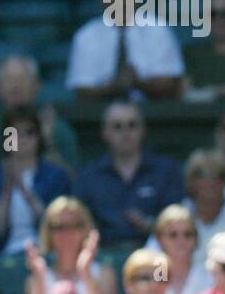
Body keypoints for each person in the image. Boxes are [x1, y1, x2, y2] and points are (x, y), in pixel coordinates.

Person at [74, 102, 183, 247]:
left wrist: (150, 225)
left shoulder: (166, 171)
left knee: (160, 268)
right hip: (102, 256)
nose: (125, 133)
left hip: (156, 254)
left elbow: (178, 221)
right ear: (104, 132)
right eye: (117, 126)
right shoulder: (88, 175)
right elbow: (78, 224)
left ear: (143, 130)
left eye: (132, 125)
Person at [66, 0, 184, 103]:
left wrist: (138, 82)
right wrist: (113, 87)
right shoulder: (86, 36)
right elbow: (81, 88)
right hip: (100, 113)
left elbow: (170, 82)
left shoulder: (158, 29)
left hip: (152, 110)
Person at [0, 56, 80, 191]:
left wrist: (48, 143)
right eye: (9, 80)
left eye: (23, 79)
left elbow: (73, 181)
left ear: (37, 86)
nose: (16, 86)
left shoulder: (58, 130)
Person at [25, 197, 118, 294]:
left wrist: (85, 271)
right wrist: (41, 278)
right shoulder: (37, 275)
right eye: (58, 227)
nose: (67, 233)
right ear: (48, 233)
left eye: (75, 226)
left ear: (86, 230)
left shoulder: (102, 272)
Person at [0, 107, 71, 256]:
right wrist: (7, 192)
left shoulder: (55, 176)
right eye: (13, 133)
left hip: (48, 252)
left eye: (29, 132)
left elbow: (57, 225)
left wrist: (25, 192)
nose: (21, 139)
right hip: (3, 254)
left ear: (39, 137)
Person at [143, 205, 212, 294]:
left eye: (187, 234)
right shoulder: (153, 275)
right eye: (173, 235)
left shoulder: (209, 275)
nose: (181, 241)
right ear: (160, 239)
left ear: (196, 239)